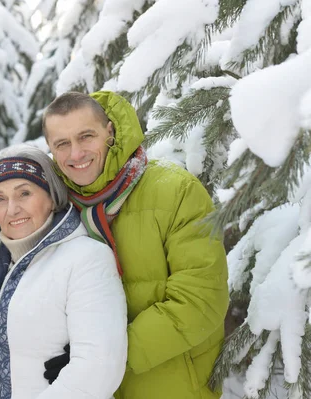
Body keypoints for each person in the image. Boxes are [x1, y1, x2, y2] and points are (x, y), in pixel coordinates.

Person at [42, 91, 229, 399]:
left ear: (110, 132)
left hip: (172, 384)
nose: (75, 154)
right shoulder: (59, 209)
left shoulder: (175, 191)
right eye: (62, 143)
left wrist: (102, 357)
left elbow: (200, 302)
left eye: (86, 136)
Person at [0, 145, 127, 398]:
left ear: (52, 196)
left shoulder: (86, 258)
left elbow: (99, 365)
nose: (11, 209)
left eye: (24, 193)